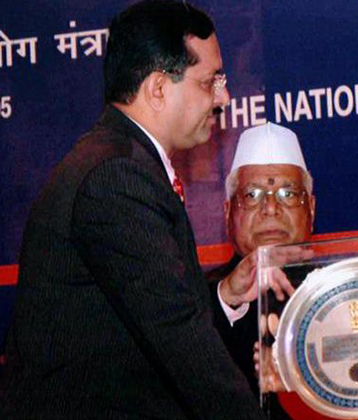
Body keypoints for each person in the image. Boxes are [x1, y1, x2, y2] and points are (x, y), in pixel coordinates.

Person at [0, 1, 267, 419]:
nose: (224, 98)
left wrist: (225, 294)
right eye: (209, 82)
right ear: (158, 88)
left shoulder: (122, 160)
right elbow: (177, 335)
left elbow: (142, 312)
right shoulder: (117, 176)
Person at [207, 122, 316, 395]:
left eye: (288, 194)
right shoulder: (196, 298)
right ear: (228, 213)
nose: (270, 208)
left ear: (311, 210)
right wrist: (228, 300)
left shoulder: (338, 293)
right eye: (252, 195)